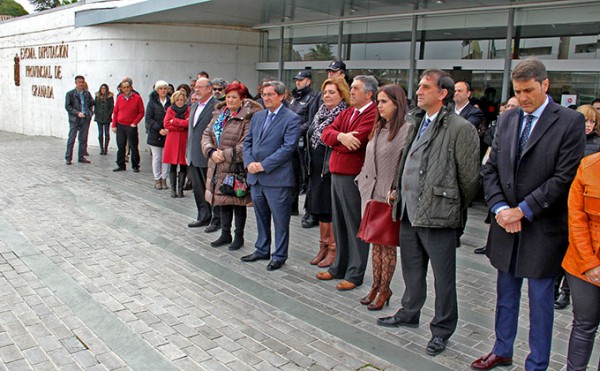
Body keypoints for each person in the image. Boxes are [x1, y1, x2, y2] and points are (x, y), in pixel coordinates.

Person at [472, 59, 585, 371]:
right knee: (505, 296)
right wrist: (499, 209)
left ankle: (537, 363)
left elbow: (564, 178)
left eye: (529, 91)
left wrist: (523, 210)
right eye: (518, 91)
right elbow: (490, 168)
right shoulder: (508, 120)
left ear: (545, 85)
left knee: (539, 303)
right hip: (506, 226)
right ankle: (502, 349)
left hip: (542, 228)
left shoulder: (568, 121)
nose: (522, 98)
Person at [377, 69, 480, 357]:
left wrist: (450, 206)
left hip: (439, 215)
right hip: (409, 211)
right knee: (412, 269)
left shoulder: (460, 128)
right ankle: (409, 312)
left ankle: (442, 330)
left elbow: (470, 179)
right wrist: (398, 187)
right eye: (419, 86)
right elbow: (406, 160)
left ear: (442, 93)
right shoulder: (417, 121)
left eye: (425, 87)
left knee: (443, 278)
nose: (418, 92)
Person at [315, 75, 378, 291]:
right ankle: (338, 266)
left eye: (356, 89)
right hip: (337, 174)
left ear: (369, 93)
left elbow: (358, 142)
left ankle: (355, 272)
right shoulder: (348, 112)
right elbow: (326, 133)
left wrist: (337, 140)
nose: (351, 92)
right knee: (339, 223)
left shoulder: (372, 113)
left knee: (354, 225)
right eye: (351, 88)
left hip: (354, 177)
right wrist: (341, 137)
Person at [356, 84, 410, 311]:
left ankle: (385, 288)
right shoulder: (379, 128)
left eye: (384, 102)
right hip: (371, 193)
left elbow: (405, 165)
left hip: (389, 197)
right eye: (378, 102)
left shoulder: (407, 130)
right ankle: (376, 285)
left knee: (387, 247)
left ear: (397, 104)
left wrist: (397, 189)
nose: (380, 106)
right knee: (374, 245)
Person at [241, 81, 301, 271]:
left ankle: (279, 255)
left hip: (277, 179)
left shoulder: (291, 118)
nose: (266, 98)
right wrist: (249, 163)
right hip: (256, 178)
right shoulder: (258, 117)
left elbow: (288, 148)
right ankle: (262, 249)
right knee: (260, 216)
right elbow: (247, 142)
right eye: (264, 94)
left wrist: (263, 165)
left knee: (280, 220)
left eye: (270, 94)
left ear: (282, 96)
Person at [202, 83, 262, 250]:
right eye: (228, 96)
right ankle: (225, 233)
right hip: (217, 164)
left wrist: (224, 155)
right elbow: (207, 134)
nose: (230, 100)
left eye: (234, 97)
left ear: (242, 99)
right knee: (223, 201)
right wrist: (211, 151)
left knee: (237, 202)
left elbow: (246, 144)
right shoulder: (220, 114)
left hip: (235, 167)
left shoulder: (248, 117)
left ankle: (239, 236)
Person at [554, 104, 600, 310]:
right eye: (585, 121)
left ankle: (566, 290)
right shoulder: (566, 140)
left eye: (593, 122)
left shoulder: (596, 146)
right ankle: (558, 288)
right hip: (566, 204)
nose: (588, 125)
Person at [561, 152, 600, 371]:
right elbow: (576, 217)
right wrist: (590, 263)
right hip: (583, 261)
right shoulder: (588, 165)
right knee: (584, 324)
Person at [306, 77, 349, 268]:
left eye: (332, 92)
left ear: (342, 95)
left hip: (332, 170)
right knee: (320, 209)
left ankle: (333, 249)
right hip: (317, 170)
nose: (327, 96)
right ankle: (322, 247)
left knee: (331, 211)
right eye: (325, 92)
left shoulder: (344, 114)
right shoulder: (320, 113)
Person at [186, 78, 220, 231]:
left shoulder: (216, 107)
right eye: (195, 87)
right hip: (193, 154)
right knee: (198, 189)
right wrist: (188, 152)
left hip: (207, 155)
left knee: (211, 189)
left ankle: (215, 220)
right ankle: (203, 215)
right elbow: (191, 132)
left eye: (200, 87)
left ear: (209, 89)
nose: (196, 90)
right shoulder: (194, 106)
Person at [289, 69, 319, 225]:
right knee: (293, 176)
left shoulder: (313, 98)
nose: (297, 82)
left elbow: (311, 121)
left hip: (304, 143)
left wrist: (294, 131)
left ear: (308, 81)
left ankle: (310, 211)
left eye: (301, 80)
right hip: (292, 144)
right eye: (296, 80)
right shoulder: (294, 98)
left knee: (306, 177)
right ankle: (292, 207)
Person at [112, 79, 144, 173]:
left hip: (131, 126)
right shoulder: (119, 98)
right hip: (120, 125)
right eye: (124, 87)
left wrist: (135, 123)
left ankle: (135, 165)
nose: (126, 89)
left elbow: (141, 112)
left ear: (131, 87)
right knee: (121, 146)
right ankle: (121, 165)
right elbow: (115, 111)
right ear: (121, 89)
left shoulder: (137, 98)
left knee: (133, 146)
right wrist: (114, 125)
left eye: (127, 87)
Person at [163, 91, 190, 198]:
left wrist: (174, 121)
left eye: (182, 100)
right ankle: (173, 189)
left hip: (184, 139)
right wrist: (181, 125)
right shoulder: (170, 109)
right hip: (172, 139)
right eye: (178, 100)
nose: (180, 102)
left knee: (183, 164)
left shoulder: (188, 110)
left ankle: (180, 189)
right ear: (174, 100)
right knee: (172, 164)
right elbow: (166, 124)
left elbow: (188, 124)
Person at [145, 80, 171, 190]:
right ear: (157, 90)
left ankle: (164, 178)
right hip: (155, 133)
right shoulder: (152, 102)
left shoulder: (170, 101)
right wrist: (159, 129)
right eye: (161, 89)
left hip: (168, 133)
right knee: (157, 157)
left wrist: (168, 128)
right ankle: (157, 179)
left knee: (166, 158)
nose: (163, 91)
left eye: (165, 88)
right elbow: (148, 118)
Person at [64, 75, 94, 165]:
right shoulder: (70, 94)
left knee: (83, 138)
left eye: (82, 82)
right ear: (76, 83)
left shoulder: (87, 94)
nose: (81, 84)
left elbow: (91, 103)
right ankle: (68, 157)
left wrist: (90, 113)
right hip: (75, 119)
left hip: (85, 119)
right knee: (72, 138)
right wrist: (77, 113)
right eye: (79, 82)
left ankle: (81, 156)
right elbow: (68, 106)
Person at [94, 83, 114, 156]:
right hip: (99, 116)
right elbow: (95, 105)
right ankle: (101, 148)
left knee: (106, 133)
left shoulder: (110, 97)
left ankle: (106, 148)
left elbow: (112, 106)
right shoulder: (97, 96)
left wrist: (109, 114)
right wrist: (96, 113)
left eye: (104, 88)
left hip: (106, 117)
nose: (103, 90)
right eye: (102, 88)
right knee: (100, 133)